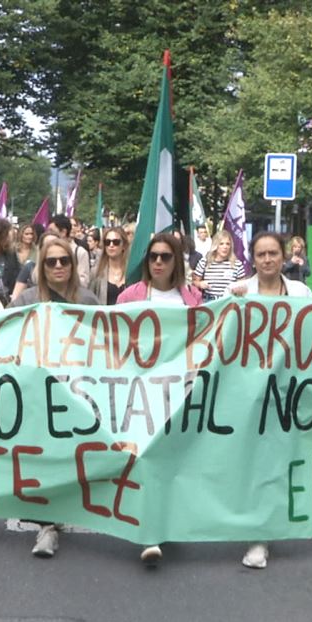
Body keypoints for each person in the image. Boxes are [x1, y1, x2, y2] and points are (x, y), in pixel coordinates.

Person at [230, 232, 312, 570]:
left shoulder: (301, 293)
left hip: (292, 392)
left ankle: (277, 524)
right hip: (254, 394)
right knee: (258, 462)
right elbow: (220, 334)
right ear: (253, 258)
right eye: (260, 254)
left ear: (283, 255)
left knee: (286, 460)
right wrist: (232, 303)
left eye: (273, 253)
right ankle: (258, 536)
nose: (267, 260)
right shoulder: (241, 290)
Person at [114, 231, 202, 566]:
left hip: (180, 391)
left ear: (176, 260)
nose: (159, 262)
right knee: (144, 458)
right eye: (154, 257)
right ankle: (150, 534)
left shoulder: (191, 298)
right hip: (141, 390)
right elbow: (113, 339)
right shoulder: (130, 297)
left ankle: (166, 522)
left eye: (166, 256)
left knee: (171, 460)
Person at [9, 236, 98, 559]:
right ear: (41, 267)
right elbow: (3, 334)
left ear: (73, 266)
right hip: (38, 393)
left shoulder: (88, 301)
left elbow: (106, 345)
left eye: (64, 261)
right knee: (43, 456)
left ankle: (68, 508)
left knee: (71, 454)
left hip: (78, 394)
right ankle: (46, 527)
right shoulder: (27, 301)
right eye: (51, 261)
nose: (58, 266)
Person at [191, 231, 247, 300]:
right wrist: (200, 284)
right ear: (216, 245)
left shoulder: (237, 264)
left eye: (227, 244)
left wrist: (237, 289)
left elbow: (243, 286)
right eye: (221, 244)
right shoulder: (205, 261)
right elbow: (193, 282)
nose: (225, 247)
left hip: (230, 301)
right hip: (210, 302)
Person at [45, 215, 90, 287]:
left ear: (63, 232)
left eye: (52, 231)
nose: (49, 234)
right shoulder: (46, 250)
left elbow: (84, 282)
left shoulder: (80, 252)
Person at [88, 226, 129, 305]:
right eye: (107, 242)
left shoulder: (131, 271)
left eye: (116, 242)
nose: (111, 245)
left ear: (124, 245)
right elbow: (90, 301)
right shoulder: (96, 272)